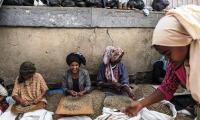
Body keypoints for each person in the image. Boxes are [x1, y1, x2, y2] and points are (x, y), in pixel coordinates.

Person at [124, 5, 200, 117]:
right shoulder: (176, 65)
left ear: (185, 40)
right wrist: (140, 104)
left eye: (168, 53)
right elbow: (166, 88)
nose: (168, 60)